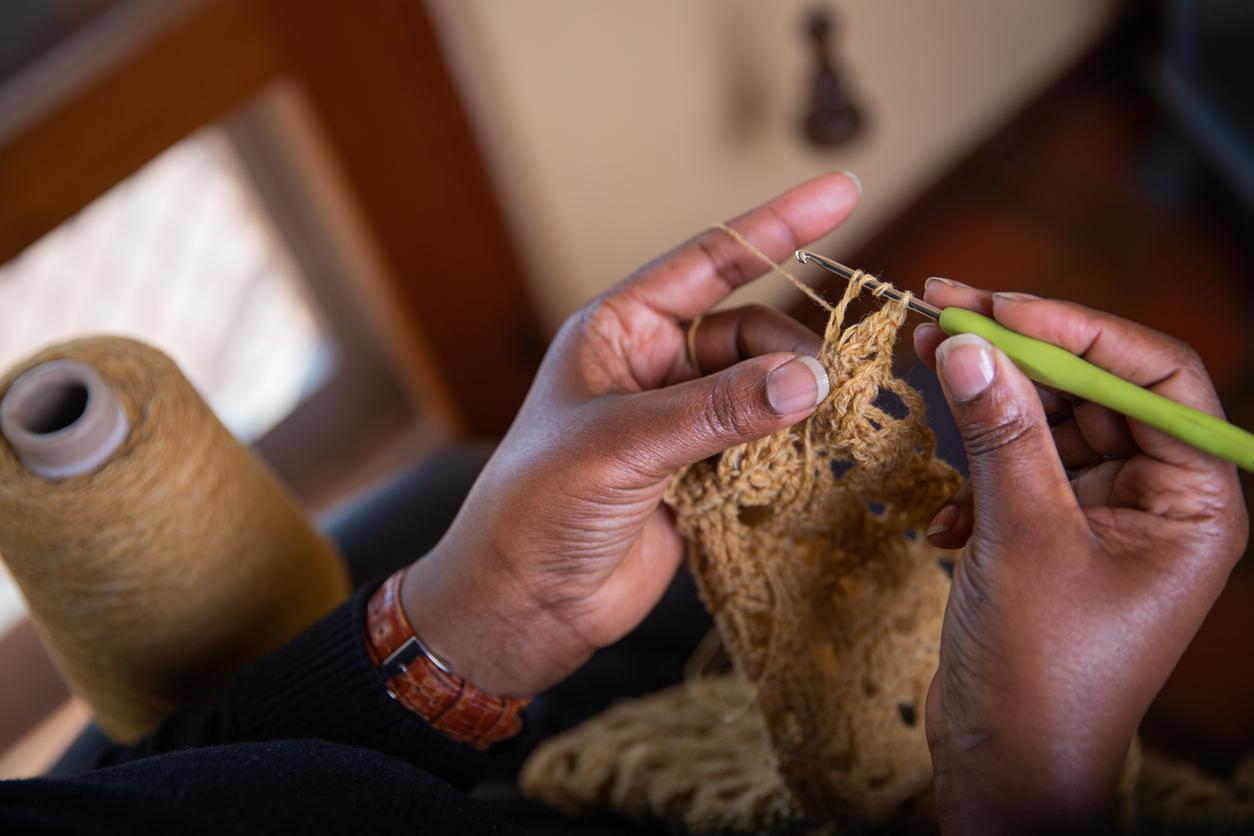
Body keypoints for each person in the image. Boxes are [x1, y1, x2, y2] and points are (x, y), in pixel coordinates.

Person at [0, 173, 1245, 835]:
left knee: (451, 493)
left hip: (469, 725)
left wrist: (473, 621)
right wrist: (1024, 789)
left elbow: (135, 794)